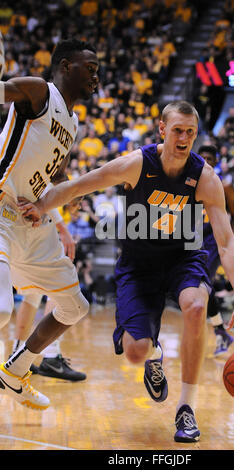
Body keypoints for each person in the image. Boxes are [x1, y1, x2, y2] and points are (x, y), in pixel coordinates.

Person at [17, 101, 234, 442]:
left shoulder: (205, 178)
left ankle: (186, 410)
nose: (183, 138)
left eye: (190, 132)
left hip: (184, 259)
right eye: (177, 130)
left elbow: (225, 242)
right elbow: (81, 185)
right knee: (135, 352)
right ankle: (154, 356)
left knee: (196, 307)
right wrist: (42, 205)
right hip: (138, 265)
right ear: (162, 130)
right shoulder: (137, 164)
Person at [0, 38, 99, 410]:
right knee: (2, 310)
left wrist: (59, 223)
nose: (96, 75)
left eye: (97, 70)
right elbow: (4, 91)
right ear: (65, 65)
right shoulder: (40, 91)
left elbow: (52, 178)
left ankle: (15, 370)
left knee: (75, 307)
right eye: (89, 68)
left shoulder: (71, 122)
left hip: (31, 219)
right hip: (1, 206)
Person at [11, 206, 86, 382]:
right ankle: (51, 356)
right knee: (59, 291)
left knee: (32, 295)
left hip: (24, 236)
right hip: (38, 234)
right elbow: (51, 194)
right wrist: (64, 231)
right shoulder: (56, 192)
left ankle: (18, 353)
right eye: (79, 201)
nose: (81, 205)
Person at [198, 145, 234, 355]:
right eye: (202, 157)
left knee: (202, 283)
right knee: (201, 286)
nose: (206, 161)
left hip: (214, 238)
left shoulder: (225, 187)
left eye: (210, 158)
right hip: (196, 237)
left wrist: (231, 240)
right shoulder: (192, 183)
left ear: (215, 161)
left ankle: (219, 332)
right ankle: (221, 332)